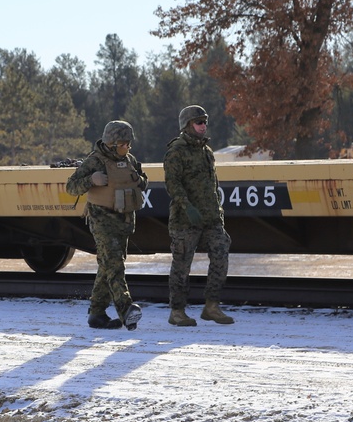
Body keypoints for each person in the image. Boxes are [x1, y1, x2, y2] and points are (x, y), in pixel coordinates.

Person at [66, 120, 148, 330]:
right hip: (102, 221)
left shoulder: (129, 160)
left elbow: (143, 180)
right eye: (123, 144)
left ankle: (96, 314)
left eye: (129, 144)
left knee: (107, 267)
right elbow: (71, 187)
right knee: (114, 266)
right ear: (111, 143)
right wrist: (91, 179)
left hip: (124, 222)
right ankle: (126, 310)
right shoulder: (95, 161)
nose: (127, 148)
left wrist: (139, 180)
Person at [162, 105, 234, 326]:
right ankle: (177, 311)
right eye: (198, 122)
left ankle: (211, 306)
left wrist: (218, 214)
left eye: (205, 122)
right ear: (187, 126)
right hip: (186, 220)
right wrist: (187, 208)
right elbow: (173, 185)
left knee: (221, 253)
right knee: (182, 264)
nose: (203, 126)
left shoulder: (206, 152)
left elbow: (214, 186)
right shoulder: (177, 151)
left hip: (211, 218)